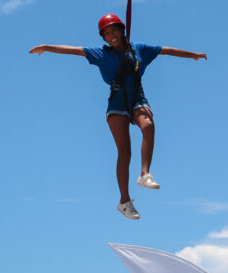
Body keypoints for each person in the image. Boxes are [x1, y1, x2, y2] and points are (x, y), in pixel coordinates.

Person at [30, 13, 206, 220]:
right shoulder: (100, 54)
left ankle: (144, 174)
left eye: (113, 30)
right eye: (106, 33)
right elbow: (73, 50)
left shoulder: (139, 49)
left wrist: (193, 54)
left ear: (122, 30)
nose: (111, 35)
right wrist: (46, 47)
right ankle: (124, 201)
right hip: (117, 102)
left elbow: (167, 50)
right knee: (125, 150)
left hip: (137, 98)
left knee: (148, 125)